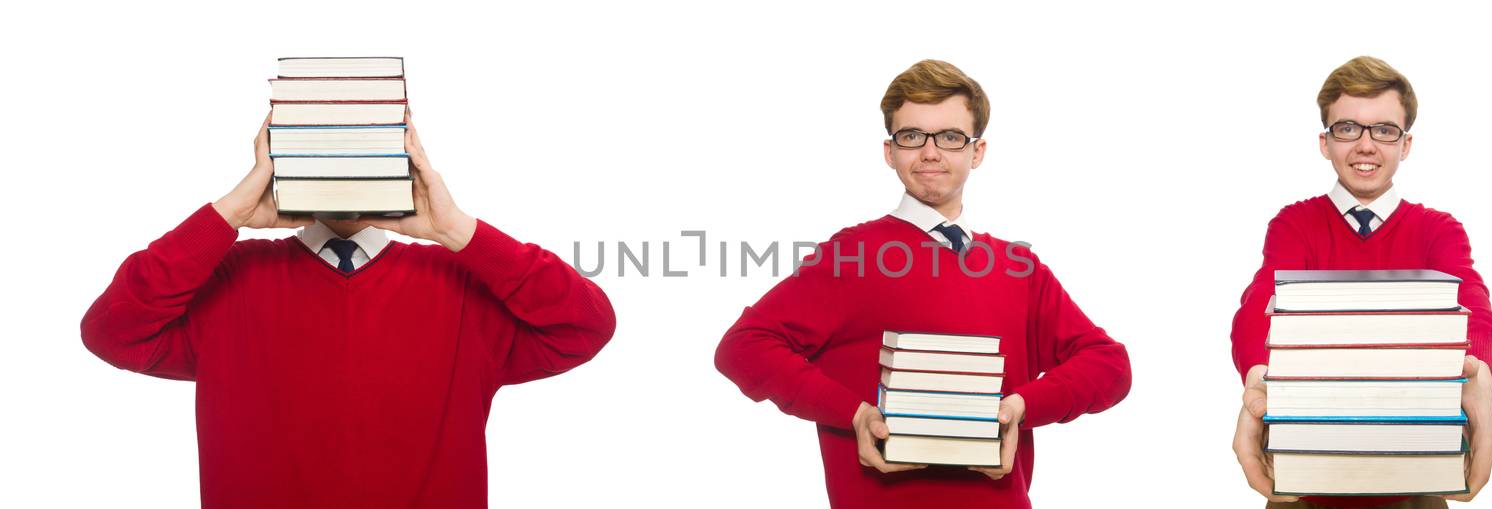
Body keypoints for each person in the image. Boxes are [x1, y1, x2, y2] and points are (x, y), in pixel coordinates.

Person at [80, 111, 616, 507]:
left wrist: (456, 230)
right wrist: (228, 215)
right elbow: (112, 332)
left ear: (406, 162)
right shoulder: (228, 278)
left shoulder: (462, 287)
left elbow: (585, 324)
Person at [714, 59, 1132, 508]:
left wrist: (1019, 408)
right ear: (890, 152)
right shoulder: (851, 256)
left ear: (977, 152)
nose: (930, 152)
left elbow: (1109, 365)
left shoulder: (1019, 268)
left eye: (951, 137)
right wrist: (852, 414)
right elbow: (744, 347)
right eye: (912, 136)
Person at [1229, 56, 1492, 508]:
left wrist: (1478, 368)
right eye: (1348, 129)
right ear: (1325, 142)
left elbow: (1473, 305)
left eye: (1384, 130)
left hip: (1414, 485)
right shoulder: (1294, 224)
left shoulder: (1438, 229)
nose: (1366, 145)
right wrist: (1259, 373)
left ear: (1406, 144)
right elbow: (1262, 302)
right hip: (1305, 482)